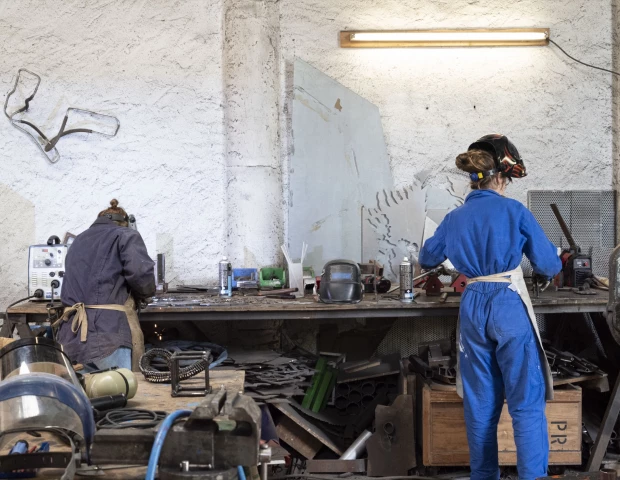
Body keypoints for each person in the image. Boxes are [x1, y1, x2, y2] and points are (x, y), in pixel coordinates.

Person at [419, 135, 561, 480]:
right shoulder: (515, 211)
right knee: (525, 402)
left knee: (480, 404)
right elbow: (549, 265)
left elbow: (427, 258)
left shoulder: (454, 217)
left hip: (473, 306)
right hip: (507, 302)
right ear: (500, 178)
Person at [56, 199, 155, 372]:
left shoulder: (78, 240)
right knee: (119, 387)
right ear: (124, 223)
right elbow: (141, 276)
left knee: (81, 388)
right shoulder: (126, 235)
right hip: (108, 335)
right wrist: (146, 293)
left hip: (71, 337)